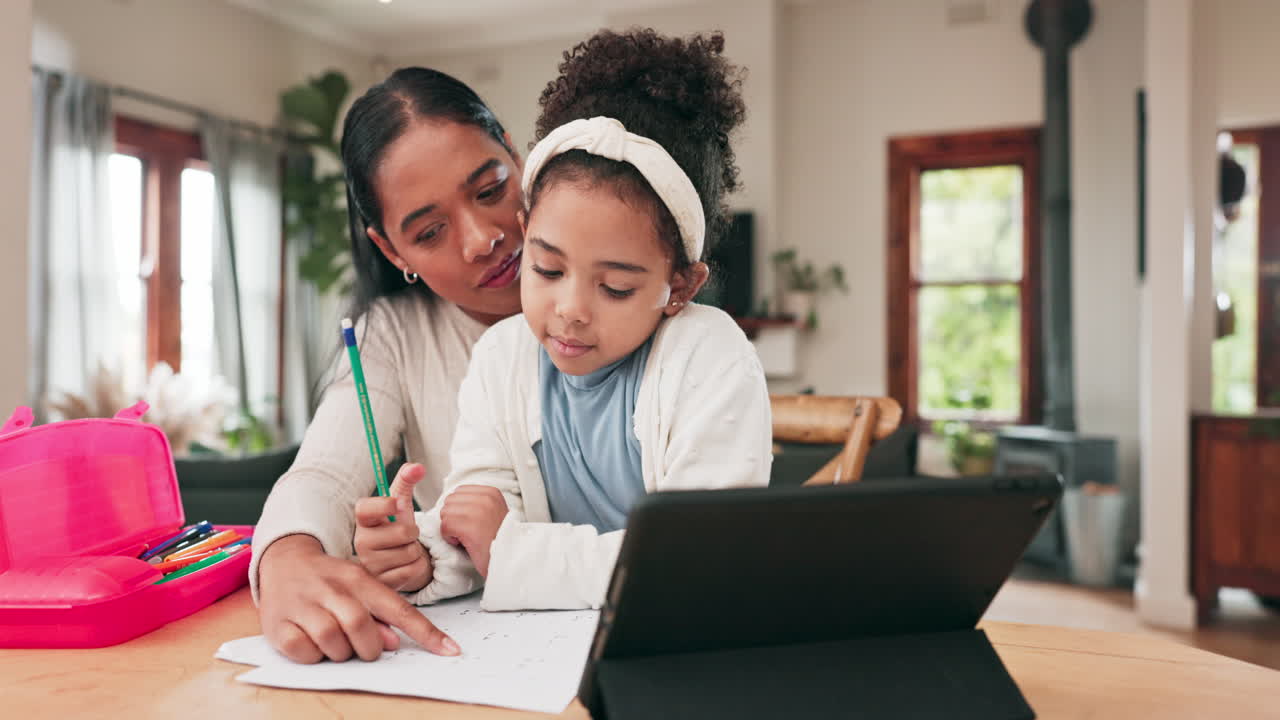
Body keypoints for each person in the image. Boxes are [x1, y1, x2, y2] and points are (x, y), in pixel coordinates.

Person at [353, 29, 773, 611]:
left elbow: (700, 558)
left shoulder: (710, 357)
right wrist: (424, 556)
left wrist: (513, 553)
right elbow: (481, 517)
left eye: (616, 287)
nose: (570, 309)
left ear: (679, 286)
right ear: (526, 231)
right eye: (547, 268)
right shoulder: (501, 358)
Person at [250, 67, 526, 663]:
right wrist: (287, 557)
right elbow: (323, 474)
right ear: (391, 249)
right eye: (430, 232)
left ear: (517, 156)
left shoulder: (629, 285)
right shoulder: (396, 335)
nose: (481, 239)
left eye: (490, 190)